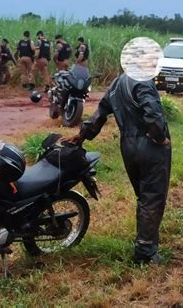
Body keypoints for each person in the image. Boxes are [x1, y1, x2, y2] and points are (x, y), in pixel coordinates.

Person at [68, 72, 172, 265]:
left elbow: (100, 113)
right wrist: (159, 137)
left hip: (128, 146)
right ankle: (145, 252)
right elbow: (152, 112)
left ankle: (147, 242)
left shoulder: (117, 82)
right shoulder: (142, 81)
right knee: (153, 197)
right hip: (149, 146)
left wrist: (82, 135)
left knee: (143, 195)